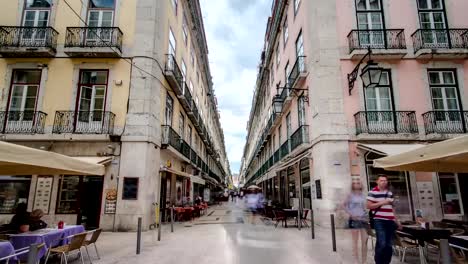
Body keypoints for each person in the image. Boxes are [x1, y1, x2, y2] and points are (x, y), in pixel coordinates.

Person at [367, 174, 402, 264]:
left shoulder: (389, 193)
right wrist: (383, 202)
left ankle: (386, 262)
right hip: (379, 220)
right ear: (377, 181)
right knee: (382, 243)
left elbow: (392, 209)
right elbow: (369, 206)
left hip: (390, 220)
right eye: (381, 180)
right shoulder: (372, 192)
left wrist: (397, 221)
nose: (383, 182)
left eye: (385, 180)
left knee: (389, 244)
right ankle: (378, 262)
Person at [343, 180, 368, 264]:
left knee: (364, 241)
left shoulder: (363, 196)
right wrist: (351, 214)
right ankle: (356, 260)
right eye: (355, 182)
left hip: (363, 219)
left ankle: (364, 261)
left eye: (358, 182)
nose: (357, 183)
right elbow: (344, 205)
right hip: (354, 220)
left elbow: (365, 207)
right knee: (355, 241)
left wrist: (366, 214)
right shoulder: (350, 195)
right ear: (352, 185)